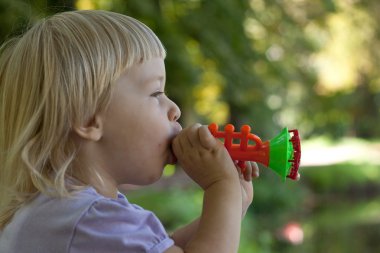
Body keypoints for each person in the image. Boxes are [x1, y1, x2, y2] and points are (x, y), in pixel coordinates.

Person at [0, 10, 259, 253]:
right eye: (156, 93)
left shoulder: (66, 212)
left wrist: (232, 205)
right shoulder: (88, 218)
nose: (175, 109)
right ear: (88, 119)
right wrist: (221, 186)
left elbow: (165, 246)